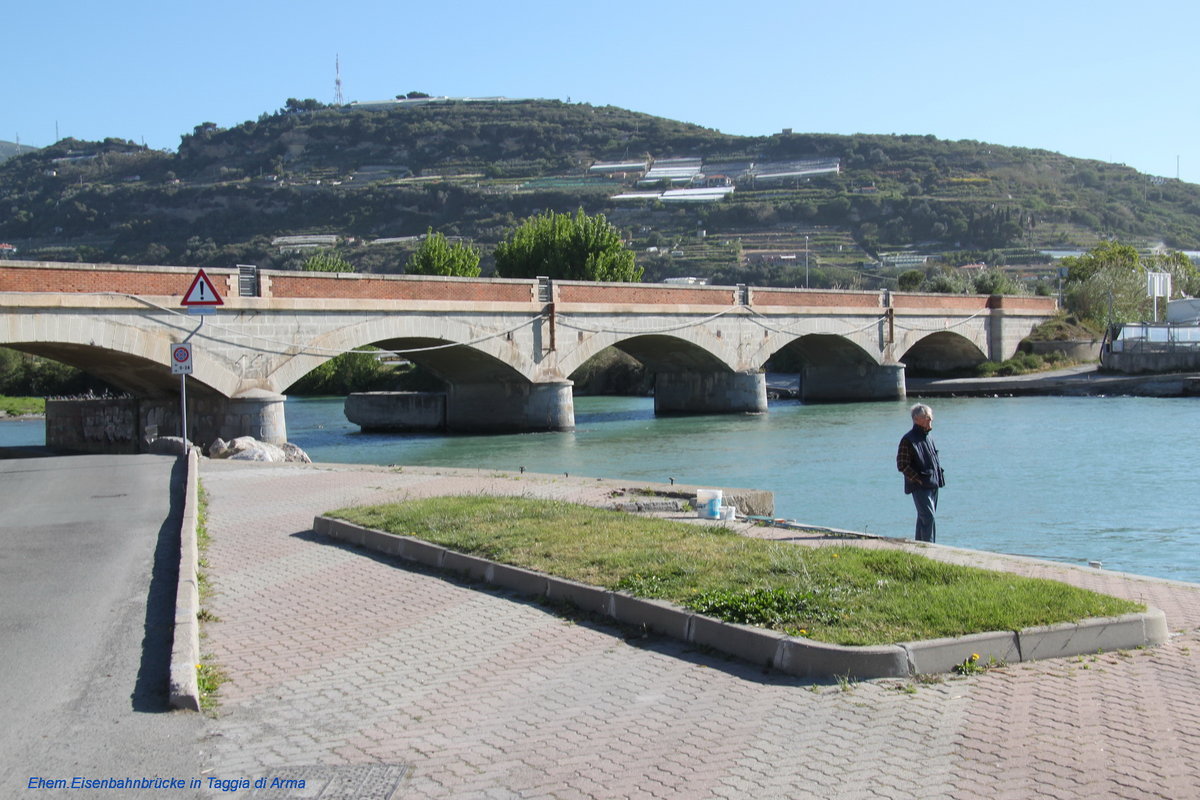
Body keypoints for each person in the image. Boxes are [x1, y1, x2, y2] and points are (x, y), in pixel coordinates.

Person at [896, 403, 945, 543]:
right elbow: (902, 464)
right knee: (928, 517)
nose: (931, 420)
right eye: (928, 418)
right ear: (917, 419)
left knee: (924, 518)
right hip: (920, 486)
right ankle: (929, 547)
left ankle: (919, 545)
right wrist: (917, 480)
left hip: (933, 484)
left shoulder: (928, 437)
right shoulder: (908, 439)